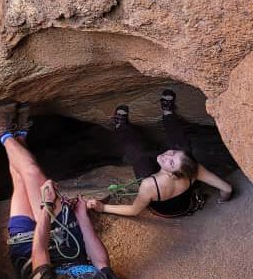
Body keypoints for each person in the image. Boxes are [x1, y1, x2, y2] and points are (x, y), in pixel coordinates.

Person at [0, 102, 136, 279]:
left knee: (22, 179)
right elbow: (100, 262)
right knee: (29, 173)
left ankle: (3, 132)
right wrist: (82, 216)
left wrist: (47, 209)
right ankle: (17, 135)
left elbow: (40, 252)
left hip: (30, 248)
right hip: (68, 242)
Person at [87, 89, 233, 218]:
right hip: (184, 201)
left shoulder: (149, 185)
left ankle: (121, 128)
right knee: (183, 149)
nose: (167, 155)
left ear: (172, 174)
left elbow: (134, 210)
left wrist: (103, 207)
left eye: (170, 162)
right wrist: (223, 199)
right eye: (172, 153)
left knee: (140, 157)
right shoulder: (193, 168)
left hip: (163, 206)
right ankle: (168, 114)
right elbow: (227, 188)